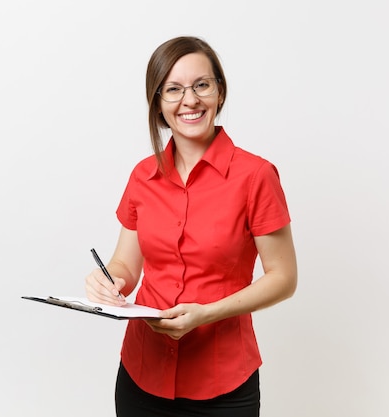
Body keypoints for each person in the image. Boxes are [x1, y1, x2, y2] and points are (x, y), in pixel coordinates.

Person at [85, 36, 298, 417]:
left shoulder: (256, 176)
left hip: (223, 382)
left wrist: (208, 313)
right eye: (173, 89)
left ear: (219, 91)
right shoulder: (142, 176)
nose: (190, 100)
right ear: (158, 103)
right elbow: (127, 267)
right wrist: (110, 282)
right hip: (141, 375)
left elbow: (283, 277)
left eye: (201, 85)